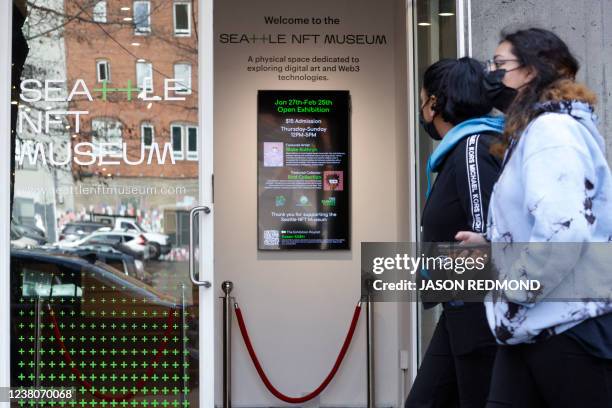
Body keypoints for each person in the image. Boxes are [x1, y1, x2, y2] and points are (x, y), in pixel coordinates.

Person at [457, 27, 612, 407]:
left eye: (500, 65)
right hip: (536, 326)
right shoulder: (539, 130)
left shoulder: (551, 131)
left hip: (564, 327)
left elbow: (564, 233)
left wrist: (512, 291)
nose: (492, 76)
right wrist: (493, 246)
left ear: (531, 71)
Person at [405, 57, 504, 408]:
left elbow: (484, 233)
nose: (421, 110)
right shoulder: (461, 150)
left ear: (435, 103)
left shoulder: (474, 148)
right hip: (460, 312)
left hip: (480, 318)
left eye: (422, 100)